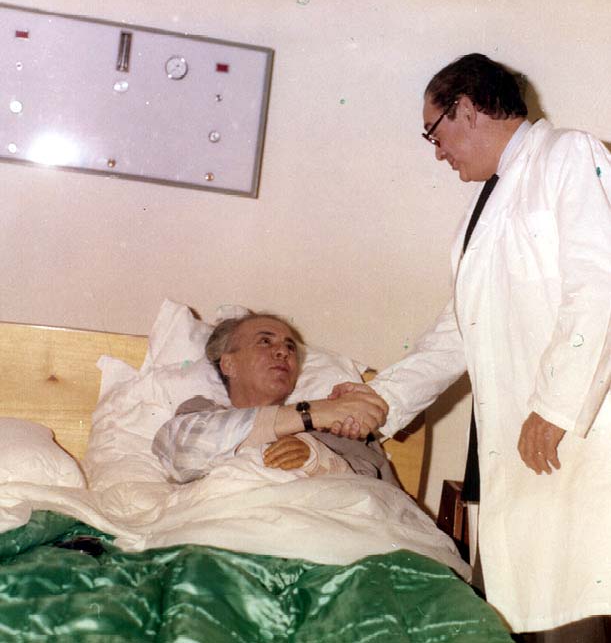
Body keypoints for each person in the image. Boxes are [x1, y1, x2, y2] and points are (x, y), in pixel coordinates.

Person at [333, 53, 611, 641]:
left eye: (434, 133)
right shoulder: (486, 206)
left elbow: (601, 287)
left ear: (467, 109)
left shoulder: (568, 155)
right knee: (529, 612)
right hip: (525, 447)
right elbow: (460, 330)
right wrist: (383, 398)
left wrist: (556, 406)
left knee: (576, 615)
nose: (437, 153)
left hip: (576, 435)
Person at [152, 312, 394, 484]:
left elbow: (374, 495)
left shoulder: (336, 428)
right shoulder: (200, 413)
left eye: (290, 347)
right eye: (265, 341)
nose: (283, 351)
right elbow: (182, 452)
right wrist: (313, 413)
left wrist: (316, 459)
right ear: (229, 364)